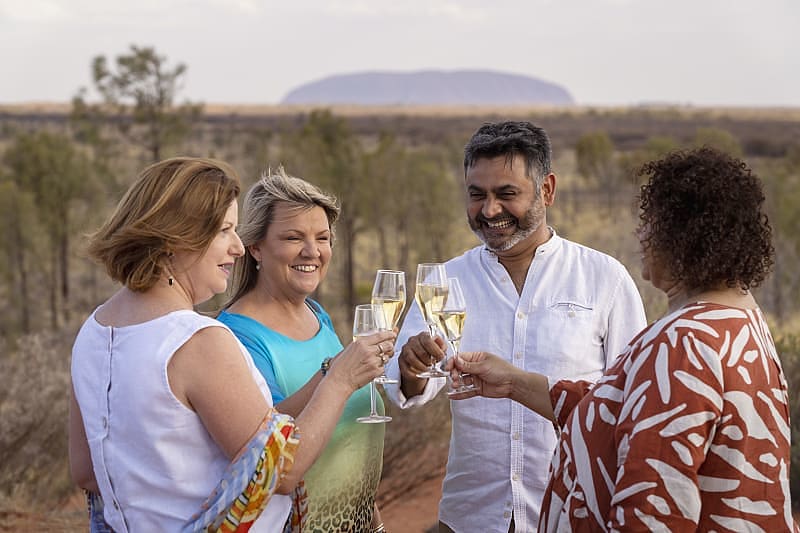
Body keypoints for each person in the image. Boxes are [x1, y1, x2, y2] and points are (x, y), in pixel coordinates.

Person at [448, 147, 796, 531]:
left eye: (649, 222)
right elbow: (629, 412)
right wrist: (514, 383)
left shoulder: (682, 343)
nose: (641, 233)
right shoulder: (739, 321)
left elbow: (651, 512)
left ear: (683, 237)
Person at [68, 157, 394, 532]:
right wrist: (339, 380)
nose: (239, 247)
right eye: (225, 230)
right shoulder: (198, 341)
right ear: (177, 238)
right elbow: (280, 473)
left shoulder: (94, 330)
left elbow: (87, 472)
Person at [384, 120, 647, 532]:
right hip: (471, 518)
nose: (490, 211)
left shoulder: (604, 278)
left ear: (547, 190)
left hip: (571, 514)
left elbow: (632, 402)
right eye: (477, 195)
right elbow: (409, 388)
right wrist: (411, 365)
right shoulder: (446, 281)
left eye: (507, 194)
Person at [218, 167, 389, 533]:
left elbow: (344, 427)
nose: (313, 251)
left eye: (323, 238)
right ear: (256, 246)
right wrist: (335, 373)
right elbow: (264, 439)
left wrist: (370, 513)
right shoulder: (236, 336)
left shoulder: (317, 314)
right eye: (294, 237)